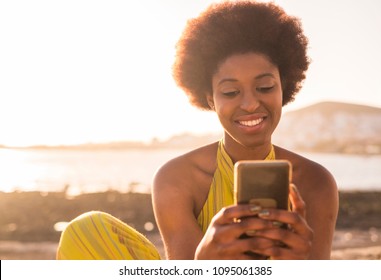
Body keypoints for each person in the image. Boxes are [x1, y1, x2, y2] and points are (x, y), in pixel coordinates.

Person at [57, 0, 338, 260]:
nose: (251, 104)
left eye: (264, 87)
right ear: (209, 99)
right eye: (230, 92)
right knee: (86, 229)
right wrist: (203, 261)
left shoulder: (316, 184)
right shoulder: (177, 179)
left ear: (283, 89)